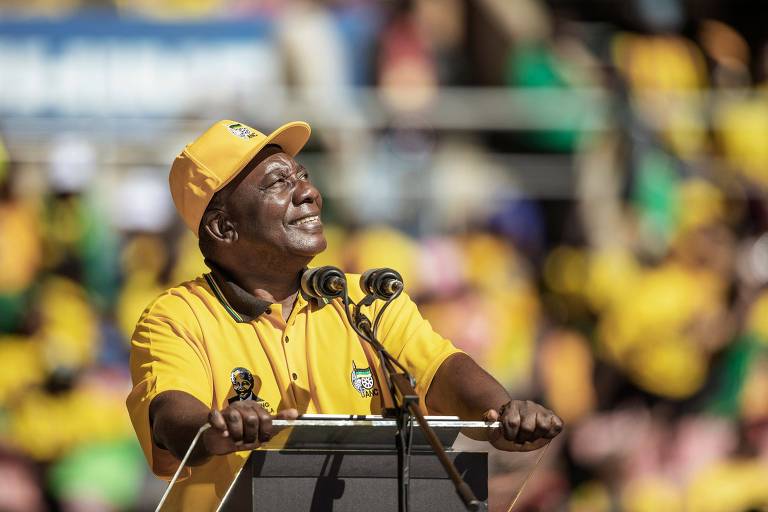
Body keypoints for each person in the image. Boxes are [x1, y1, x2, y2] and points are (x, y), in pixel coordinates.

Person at [126, 120, 563, 510]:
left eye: (304, 176)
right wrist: (217, 428)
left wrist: (502, 413)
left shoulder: (363, 299)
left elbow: (442, 371)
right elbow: (170, 416)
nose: (309, 193)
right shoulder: (176, 317)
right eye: (278, 183)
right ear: (224, 227)